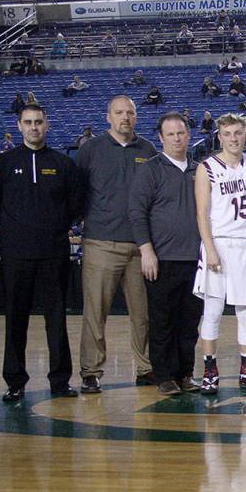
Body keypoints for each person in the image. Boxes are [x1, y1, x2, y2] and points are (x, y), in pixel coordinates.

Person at [0, 104, 84, 402]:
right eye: (28, 122)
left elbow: (76, 204)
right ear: (19, 126)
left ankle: (60, 381)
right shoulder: (3, 163)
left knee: (56, 319)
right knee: (15, 319)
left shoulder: (63, 164)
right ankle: (15, 381)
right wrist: (16, 229)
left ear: (47, 125)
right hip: (16, 254)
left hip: (53, 254)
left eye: (38, 122)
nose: (33, 127)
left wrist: (53, 227)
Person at [77, 96, 157, 392]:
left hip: (140, 248)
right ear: (108, 116)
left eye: (130, 113)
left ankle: (146, 368)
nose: (125, 117)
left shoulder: (148, 150)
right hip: (100, 243)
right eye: (119, 112)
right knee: (95, 312)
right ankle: (91, 371)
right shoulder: (90, 150)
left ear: (136, 116)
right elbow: (76, 192)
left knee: (143, 314)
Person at [128, 113, 202, 396]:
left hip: (194, 259)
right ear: (161, 138)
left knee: (189, 322)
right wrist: (146, 250)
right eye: (170, 134)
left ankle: (185, 373)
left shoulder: (199, 170)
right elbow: (137, 212)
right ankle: (165, 376)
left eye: (181, 133)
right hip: (162, 259)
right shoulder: (150, 169)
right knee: (162, 320)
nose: (177, 138)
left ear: (188, 134)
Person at [192, 113, 246, 394]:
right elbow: (202, 213)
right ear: (219, 137)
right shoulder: (207, 168)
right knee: (212, 312)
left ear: (245, 134)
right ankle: (210, 370)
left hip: (245, 244)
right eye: (227, 134)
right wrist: (209, 248)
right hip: (219, 243)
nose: (233, 138)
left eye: (238, 133)